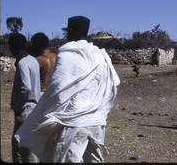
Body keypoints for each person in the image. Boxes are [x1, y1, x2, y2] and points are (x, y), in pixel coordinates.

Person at [15, 16, 120, 163]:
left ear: (70, 31)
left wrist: (47, 113)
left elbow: (57, 90)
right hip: (97, 122)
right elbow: (112, 84)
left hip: (74, 124)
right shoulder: (99, 55)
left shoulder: (68, 55)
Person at [8, 33, 40, 163]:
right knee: (25, 147)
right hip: (34, 109)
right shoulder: (33, 60)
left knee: (24, 151)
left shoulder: (22, 63)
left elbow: (26, 88)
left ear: (14, 47)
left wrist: (19, 107)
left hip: (25, 111)